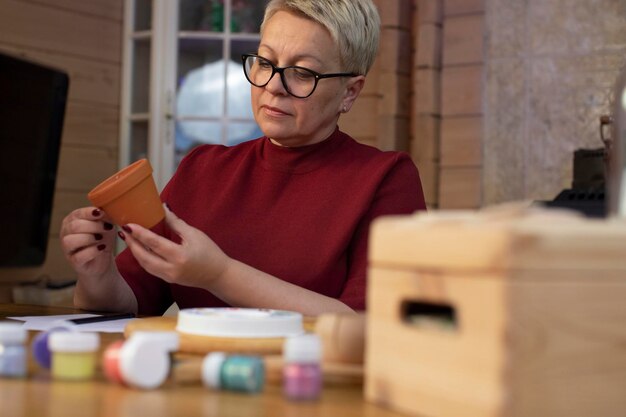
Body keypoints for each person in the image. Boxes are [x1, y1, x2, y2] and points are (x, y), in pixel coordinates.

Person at [60, 0, 426, 316]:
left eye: (301, 73)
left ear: (350, 91)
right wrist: (98, 273)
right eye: (265, 63)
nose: (273, 86)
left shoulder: (386, 177)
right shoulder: (202, 168)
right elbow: (133, 300)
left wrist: (218, 274)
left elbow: (370, 329)